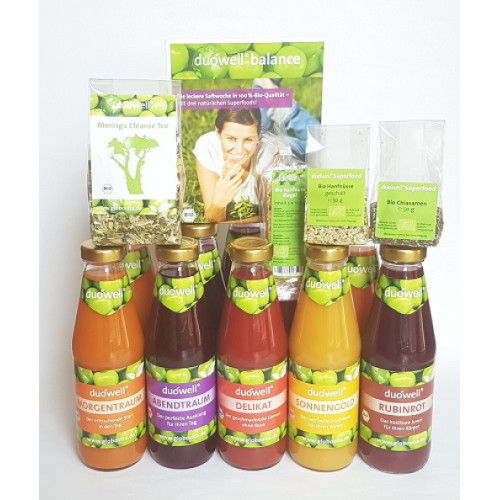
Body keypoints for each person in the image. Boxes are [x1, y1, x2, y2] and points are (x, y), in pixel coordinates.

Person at [194, 108, 276, 223]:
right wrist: (219, 202)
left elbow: (273, 217)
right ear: (218, 133)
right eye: (231, 139)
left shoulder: (269, 155)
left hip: (291, 147)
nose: (239, 150)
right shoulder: (207, 147)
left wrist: (226, 225)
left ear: (258, 137)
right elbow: (212, 218)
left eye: (248, 140)